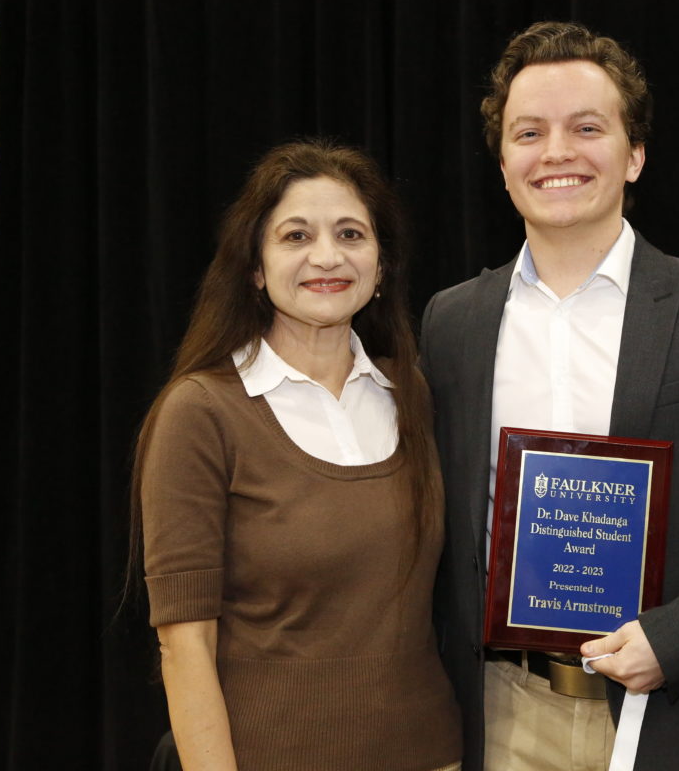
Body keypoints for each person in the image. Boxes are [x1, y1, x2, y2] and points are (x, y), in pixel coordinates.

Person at [420, 22, 679, 770]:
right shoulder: (452, 322)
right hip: (498, 716)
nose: (556, 152)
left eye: (587, 127)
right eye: (529, 132)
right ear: (503, 164)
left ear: (635, 155)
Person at [130, 139, 462, 771]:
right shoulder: (201, 412)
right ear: (255, 267)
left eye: (350, 234)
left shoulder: (412, 393)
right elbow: (184, 646)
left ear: (382, 264)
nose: (327, 257)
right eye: (295, 237)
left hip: (432, 754)